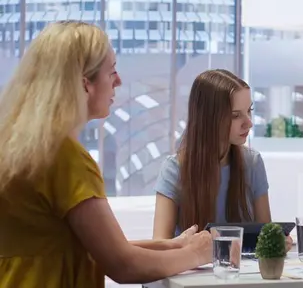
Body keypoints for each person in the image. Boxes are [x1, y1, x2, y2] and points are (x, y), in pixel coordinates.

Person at [0, 21, 212, 288]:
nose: (119, 81)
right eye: (111, 72)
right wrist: (199, 253)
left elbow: (75, 244)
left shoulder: (19, 148)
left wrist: (170, 246)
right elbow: (123, 264)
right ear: (84, 83)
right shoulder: (65, 158)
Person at [152, 69, 292, 252]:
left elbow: (264, 235)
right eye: (236, 115)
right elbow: (160, 245)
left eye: (249, 111)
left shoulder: (253, 162)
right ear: (208, 118)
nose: (248, 122)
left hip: (242, 275)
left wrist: (277, 242)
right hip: (191, 275)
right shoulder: (174, 169)